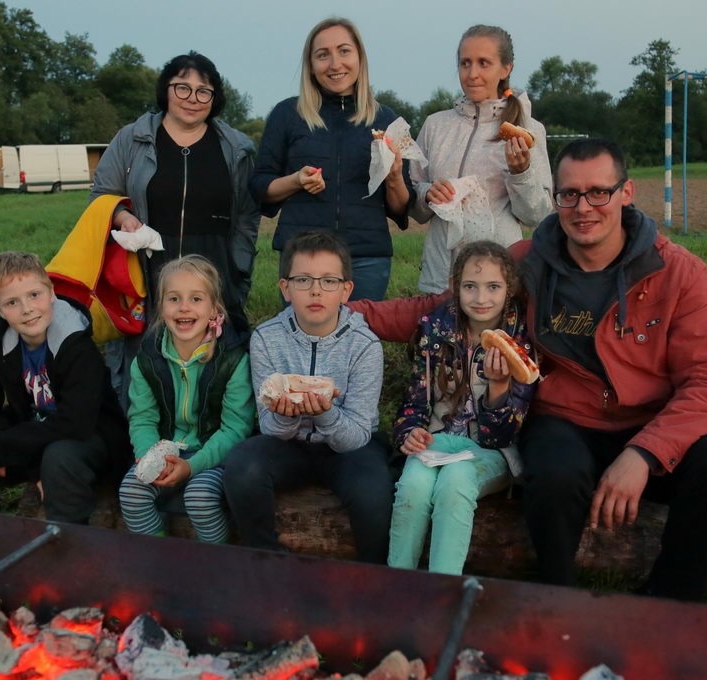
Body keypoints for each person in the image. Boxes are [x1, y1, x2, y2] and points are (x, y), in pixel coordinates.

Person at [515, 138, 707, 601]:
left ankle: (667, 602)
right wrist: (344, 308)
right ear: (555, 199)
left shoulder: (677, 270)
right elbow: (449, 307)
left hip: (649, 423)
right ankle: (556, 600)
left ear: (626, 193)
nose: (583, 207)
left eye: (598, 192)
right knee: (554, 471)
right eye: (569, 194)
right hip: (565, 419)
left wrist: (644, 453)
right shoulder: (528, 262)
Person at [90, 51, 259, 398]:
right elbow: (101, 195)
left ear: (215, 98)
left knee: (211, 369)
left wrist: (237, 270)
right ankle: (140, 444)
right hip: (146, 272)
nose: (192, 99)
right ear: (165, 90)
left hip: (214, 273)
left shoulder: (237, 147)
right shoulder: (131, 138)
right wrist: (124, 218)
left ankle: (210, 447)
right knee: (147, 368)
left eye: (203, 91)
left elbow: (246, 215)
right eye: (182, 87)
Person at [223, 230, 393, 562]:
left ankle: (374, 575)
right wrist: (288, 413)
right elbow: (270, 426)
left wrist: (325, 412)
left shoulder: (365, 344)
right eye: (303, 280)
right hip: (290, 445)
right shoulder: (266, 338)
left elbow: (357, 434)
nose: (316, 290)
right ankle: (266, 561)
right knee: (242, 465)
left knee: (372, 491)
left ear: (346, 291)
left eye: (329, 281)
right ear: (285, 288)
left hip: (351, 447)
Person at [0, 252, 130, 524]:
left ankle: (68, 539)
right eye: (12, 302)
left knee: (59, 456)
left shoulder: (75, 343)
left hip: (89, 439)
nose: (27, 309)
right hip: (33, 431)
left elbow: (76, 423)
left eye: (34, 295)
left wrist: (10, 446)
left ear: (51, 293)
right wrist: (26, 462)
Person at [388, 241, 535, 575]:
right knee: (412, 486)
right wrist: (409, 432)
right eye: (470, 286)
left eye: (493, 287)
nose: (481, 299)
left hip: (491, 452)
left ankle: (444, 591)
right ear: (455, 287)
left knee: (456, 481)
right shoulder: (435, 328)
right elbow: (415, 400)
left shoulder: (519, 341)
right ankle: (397, 584)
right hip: (438, 438)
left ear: (509, 289)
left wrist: (498, 386)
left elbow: (504, 435)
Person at [251, 17, 414, 302]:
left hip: (366, 259)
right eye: (323, 55)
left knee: (359, 343)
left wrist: (395, 177)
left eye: (344, 51)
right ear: (311, 65)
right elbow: (259, 186)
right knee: (302, 343)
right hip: (302, 260)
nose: (335, 64)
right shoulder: (287, 114)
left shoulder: (387, 119)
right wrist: (296, 181)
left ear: (360, 58)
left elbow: (401, 206)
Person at [117, 256, 254, 541]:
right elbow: (142, 417)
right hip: (165, 450)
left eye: (196, 299)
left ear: (214, 308)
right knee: (130, 492)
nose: (184, 308)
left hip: (214, 453)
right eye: (174, 298)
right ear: (161, 307)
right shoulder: (147, 359)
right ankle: (156, 558)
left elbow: (235, 428)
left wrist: (193, 465)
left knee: (199, 497)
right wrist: (148, 457)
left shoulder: (232, 360)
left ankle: (214, 562)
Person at [409, 24, 552, 295]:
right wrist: (428, 194)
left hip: (495, 284)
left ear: (506, 68)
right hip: (440, 280)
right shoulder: (435, 126)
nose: (472, 74)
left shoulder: (529, 130)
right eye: (465, 63)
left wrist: (521, 173)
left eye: (484, 63)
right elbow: (414, 205)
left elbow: (536, 215)